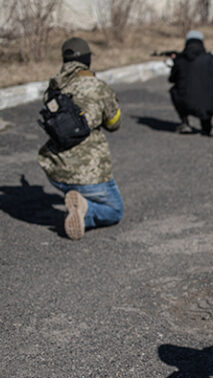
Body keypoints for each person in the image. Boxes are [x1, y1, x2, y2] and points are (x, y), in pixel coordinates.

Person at [37, 37, 123, 240]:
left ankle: (78, 198)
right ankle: (86, 210)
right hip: (88, 174)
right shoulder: (98, 86)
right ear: (87, 60)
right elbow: (114, 124)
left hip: (55, 171)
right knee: (114, 211)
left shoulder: (54, 86)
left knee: (75, 184)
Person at [168, 30, 213, 136]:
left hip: (186, 101)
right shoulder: (209, 58)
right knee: (208, 93)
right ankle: (211, 119)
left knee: (174, 91)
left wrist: (175, 64)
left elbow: (172, 79)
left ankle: (185, 122)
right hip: (210, 101)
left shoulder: (181, 59)